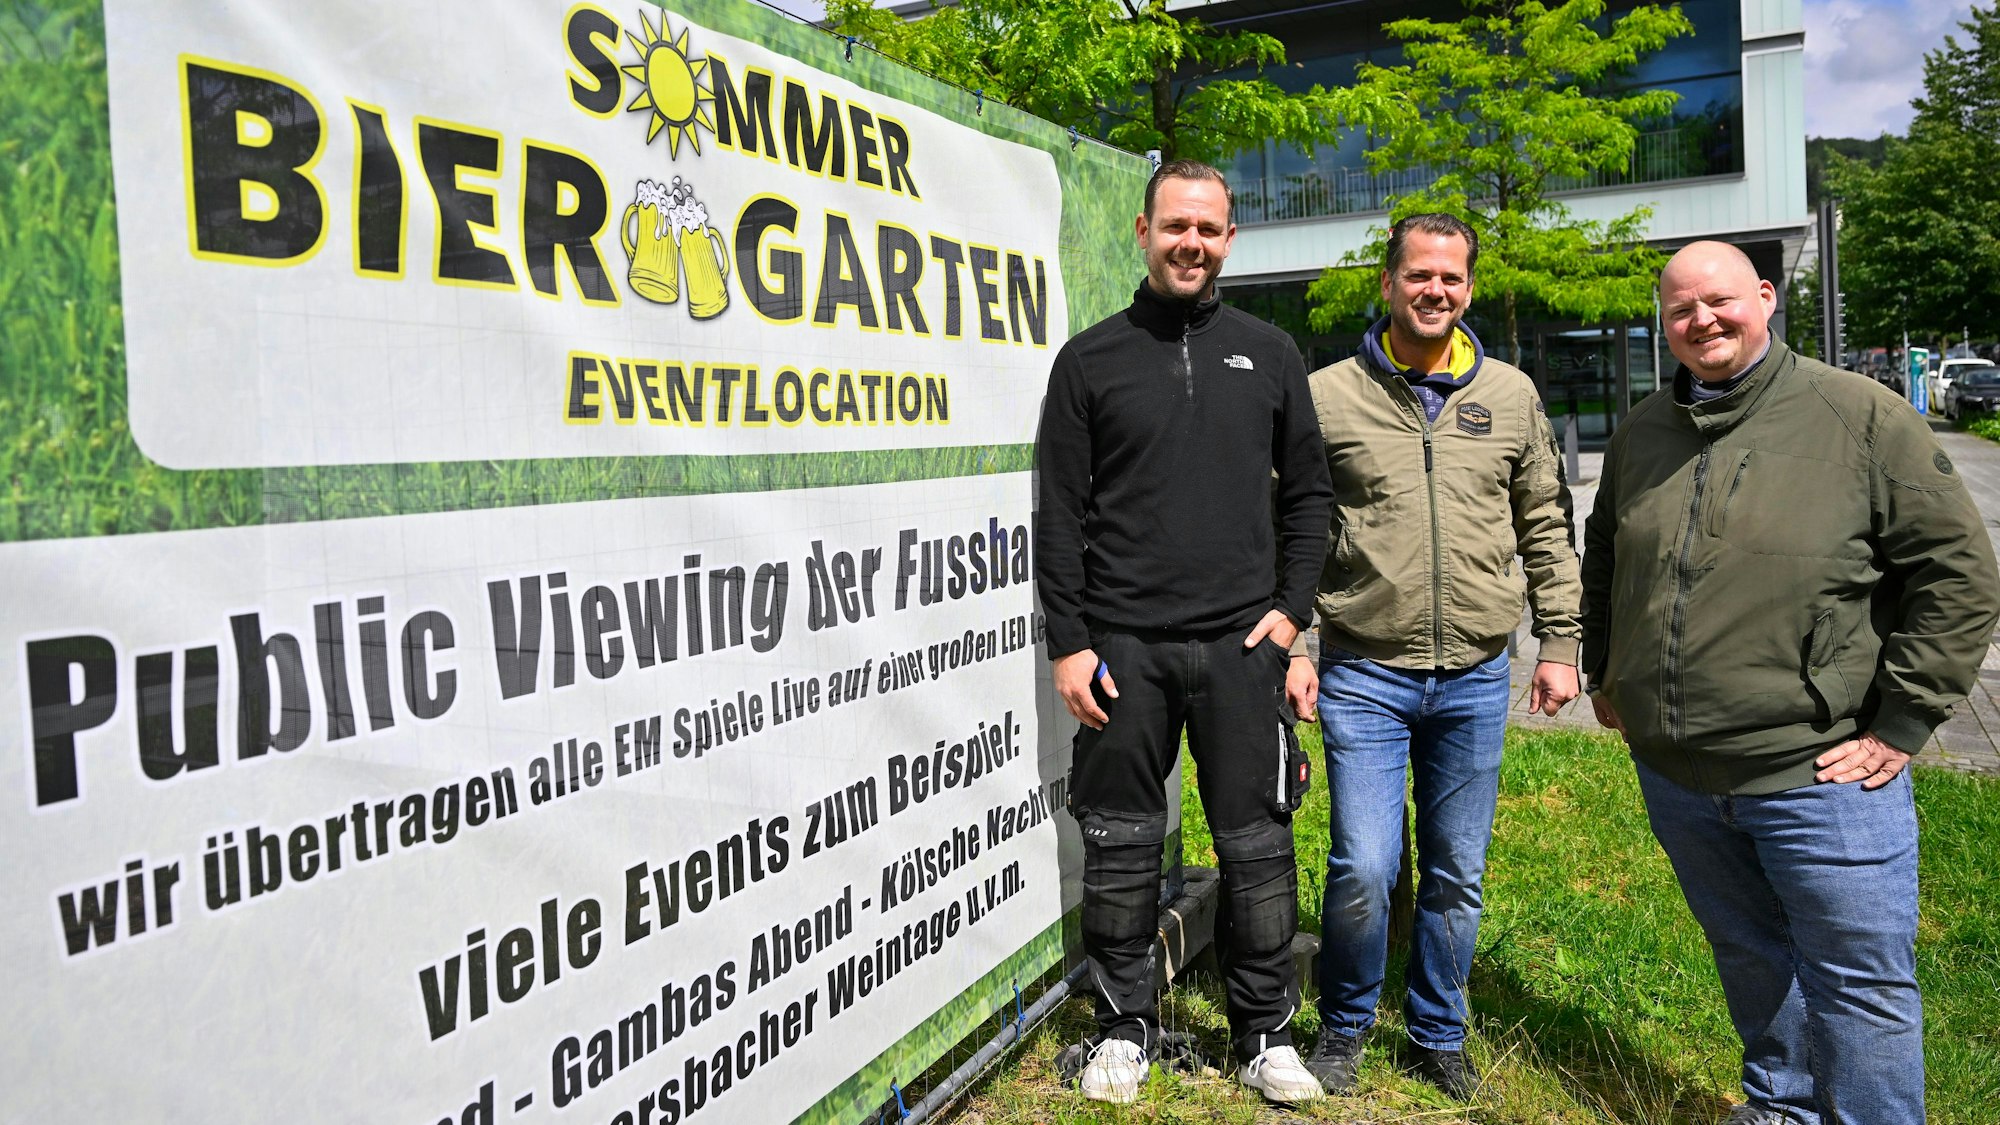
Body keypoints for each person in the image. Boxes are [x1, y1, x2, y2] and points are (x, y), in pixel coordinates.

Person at [1580, 241, 2000, 1125]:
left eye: (1720, 300)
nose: (1702, 320)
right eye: (1681, 309)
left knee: (1860, 983)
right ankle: (1784, 1107)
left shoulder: (1861, 415)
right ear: (1664, 325)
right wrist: (1605, 665)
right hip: (1681, 775)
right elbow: (1608, 556)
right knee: (1751, 955)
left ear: (1766, 297)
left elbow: (1960, 574)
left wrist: (1903, 720)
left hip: (1821, 772)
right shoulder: (1643, 430)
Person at [1035, 159, 1334, 1105]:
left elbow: (1311, 496)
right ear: (1144, 231)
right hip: (1124, 648)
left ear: (1230, 239)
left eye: (1208, 228)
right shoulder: (1090, 360)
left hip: (1244, 647)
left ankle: (1265, 1033)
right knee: (1122, 841)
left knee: (1257, 844)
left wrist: (1291, 612)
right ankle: (1123, 1026)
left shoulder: (1271, 353)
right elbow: (1058, 513)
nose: (1191, 243)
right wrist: (1070, 641)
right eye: (1175, 226)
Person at [1294, 213, 1583, 1099]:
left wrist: (1560, 640)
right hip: (1363, 671)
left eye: (1451, 278)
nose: (1435, 291)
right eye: (1419, 275)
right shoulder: (1326, 395)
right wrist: (1293, 643)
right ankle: (1346, 1023)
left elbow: (1545, 523)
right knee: (1364, 865)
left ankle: (1436, 1032)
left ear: (1469, 288)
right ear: (1388, 283)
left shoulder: (1511, 394)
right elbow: (1290, 529)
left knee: (1457, 870)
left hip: (1475, 674)